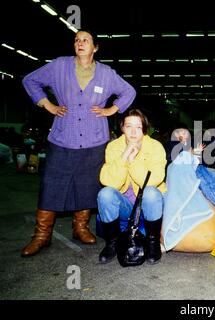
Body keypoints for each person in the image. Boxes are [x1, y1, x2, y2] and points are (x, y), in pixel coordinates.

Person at [21, 30, 136, 257]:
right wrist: (48, 105)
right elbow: (30, 80)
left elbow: (128, 91)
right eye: (77, 40)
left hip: (94, 141)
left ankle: (80, 228)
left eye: (85, 40)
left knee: (87, 186)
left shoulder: (106, 73)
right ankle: (41, 235)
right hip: (63, 138)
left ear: (95, 48)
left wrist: (111, 109)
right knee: (51, 185)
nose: (80, 43)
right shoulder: (59, 66)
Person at [97, 109, 166, 264]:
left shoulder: (155, 147)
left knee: (151, 192)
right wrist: (124, 157)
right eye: (129, 126)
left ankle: (153, 243)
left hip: (149, 207)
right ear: (122, 128)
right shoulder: (114, 146)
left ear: (144, 129)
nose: (133, 132)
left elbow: (153, 180)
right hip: (127, 207)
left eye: (138, 127)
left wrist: (133, 161)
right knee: (105, 194)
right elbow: (110, 182)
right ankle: (112, 244)